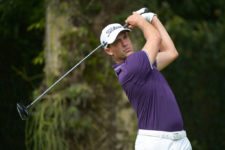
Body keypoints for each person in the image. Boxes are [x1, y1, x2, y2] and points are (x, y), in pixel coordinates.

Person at [100, 10, 192, 150]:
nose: (124, 43)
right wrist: (141, 21)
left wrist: (153, 18)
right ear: (109, 50)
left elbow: (171, 53)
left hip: (180, 139)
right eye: (117, 42)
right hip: (155, 143)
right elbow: (155, 37)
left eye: (125, 37)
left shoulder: (142, 64)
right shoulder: (132, 67)